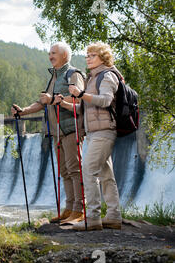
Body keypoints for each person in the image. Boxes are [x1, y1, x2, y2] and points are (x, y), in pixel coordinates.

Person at [11, 42, 85, 225]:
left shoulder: (73, 74)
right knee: (65, 171)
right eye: (49, 53)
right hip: (56, 131)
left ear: (65, 56)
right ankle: (69, 209)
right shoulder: (53, 77)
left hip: (71, 128)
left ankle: (80, 209)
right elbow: (43, 102)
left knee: (76, 170)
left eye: (54, 53)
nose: (50, 56)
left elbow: (78, 99)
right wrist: (23, 111)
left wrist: (53, 99)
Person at [62, 41, 123, 231]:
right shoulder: (92, 78)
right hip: (95, 133)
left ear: (103, 58)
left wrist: (81, 94)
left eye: (92, 55)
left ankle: (93, 218)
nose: (88, 58)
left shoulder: (107, 76)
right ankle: (113, 216)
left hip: (104, 132)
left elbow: (105, 100)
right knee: (106, 175)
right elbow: (84, 107)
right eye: (87, 55)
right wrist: (62, 104)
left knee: (88, 171)